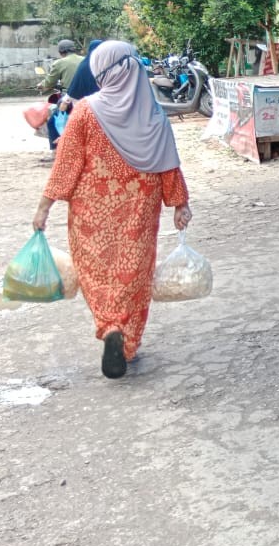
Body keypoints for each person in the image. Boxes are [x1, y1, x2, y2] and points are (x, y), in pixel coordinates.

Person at [32, 40, 193, 379]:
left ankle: (109, 328)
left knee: (96, 270)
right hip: (139, 209)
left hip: (91, 211)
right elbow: (168, 165)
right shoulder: (153, 115)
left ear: (101, 71)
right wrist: (180, 203)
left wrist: (44, 207)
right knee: (133, 272)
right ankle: (128, 339)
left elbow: (67, 164)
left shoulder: (86, 111)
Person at [38, 40, 84, 152]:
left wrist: (41, 85)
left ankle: (54, 151)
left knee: (52, 122)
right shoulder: (85, 60)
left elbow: (49, 82)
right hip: (87, 98)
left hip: (69, 97)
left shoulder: (59, 63)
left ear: (61, 51)